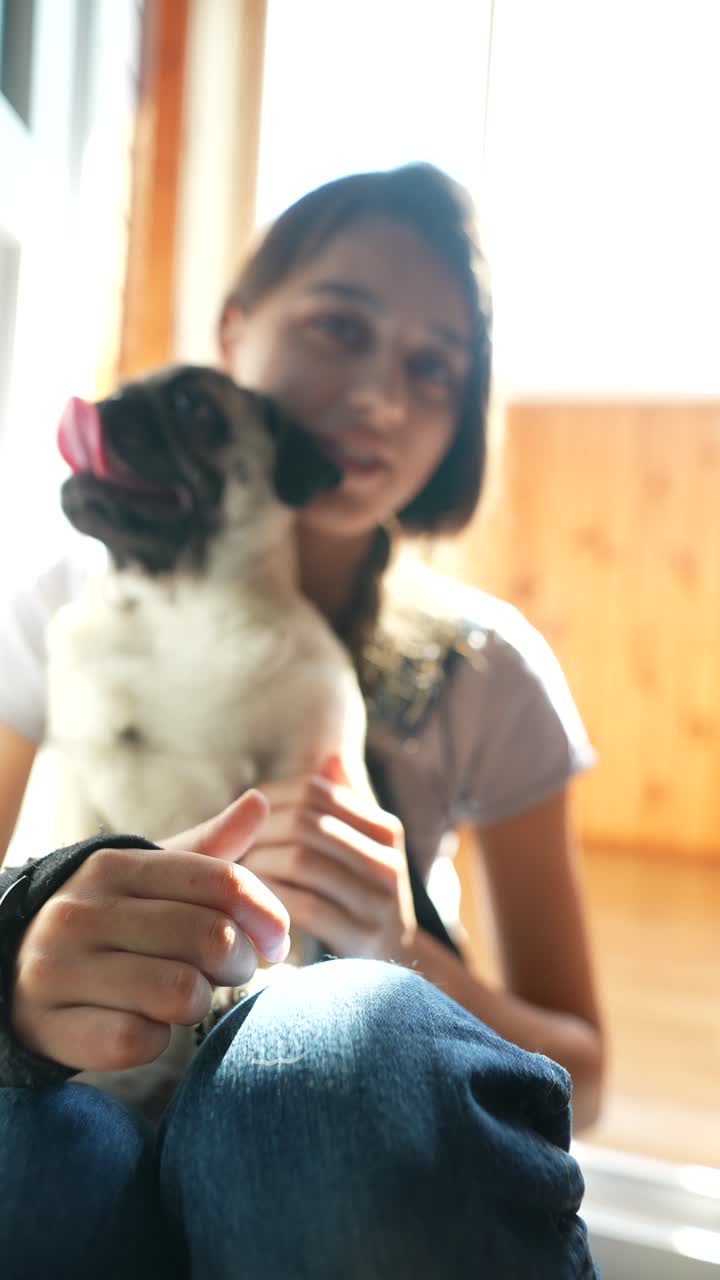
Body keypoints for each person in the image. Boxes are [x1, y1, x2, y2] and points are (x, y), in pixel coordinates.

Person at [0, 164, 602, 1277]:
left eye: (434, 367)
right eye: (338, 326)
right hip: (92, 1095)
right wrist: (15, 969)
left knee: (314, 1069)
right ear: (235, 327)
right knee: (28, 1147)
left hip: (317, 1122)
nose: (380, 396)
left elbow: (585, 1070)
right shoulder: (60, 609)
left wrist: (409, 953)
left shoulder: (490, 670)